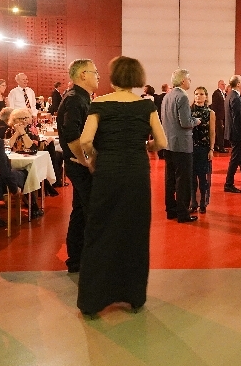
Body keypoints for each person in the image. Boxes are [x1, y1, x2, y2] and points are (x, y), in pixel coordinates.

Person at [77, 56, 167, 317]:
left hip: (108, 171)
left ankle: (94, 300)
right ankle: (133, 295)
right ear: (137, 78)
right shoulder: (146, 105)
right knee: (134, 232)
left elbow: (85, 141)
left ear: (113, 76)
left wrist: (94, 158)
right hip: (137, 172)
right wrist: (146, 146)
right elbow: (161, 142)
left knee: (100, 231)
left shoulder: (100, 103)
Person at [57, 59, 99, 273]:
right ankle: (89, 259)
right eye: (95, 72)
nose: (98, 76)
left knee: (81, 211)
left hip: (79, 163)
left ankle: (77, 259)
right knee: (92, 211)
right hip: (79, 164)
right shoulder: (75, 99)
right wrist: (86, 161)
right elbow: (72, 135)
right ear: (83, 74)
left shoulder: (81, 97)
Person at [162, 68, 201, 223]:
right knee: (183, 180)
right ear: (183, 80)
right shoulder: (183, 97)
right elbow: (185, 122)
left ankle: (170, 210)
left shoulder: (167, 96)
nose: (190, 81)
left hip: (168, 143)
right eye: (189, 79)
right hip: (182, 145)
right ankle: (183, 213)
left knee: (170, 179)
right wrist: (196, 121)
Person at [190, 86, 215, 213]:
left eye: (201, 94)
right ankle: (193, 202)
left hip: (203, 147)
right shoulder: (189, 110)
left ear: (205, 97)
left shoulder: (210, 112)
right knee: (192, 177)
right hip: (190, 148)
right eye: (196, 94)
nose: (198, 96)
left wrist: (211, 149)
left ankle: (203, 202)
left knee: (203, 177)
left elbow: (212, 132)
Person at [211, 80, 226, 152]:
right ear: (219, 85)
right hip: (218, 116)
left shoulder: (223, 93)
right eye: (222, 84)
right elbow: (214, 106)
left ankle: (218, 146)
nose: (224, 85)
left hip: (222, 116)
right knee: (219, 132)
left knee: (220, 132)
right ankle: (221, 147)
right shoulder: (216, 93)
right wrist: (215, 116)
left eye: (224, 84)